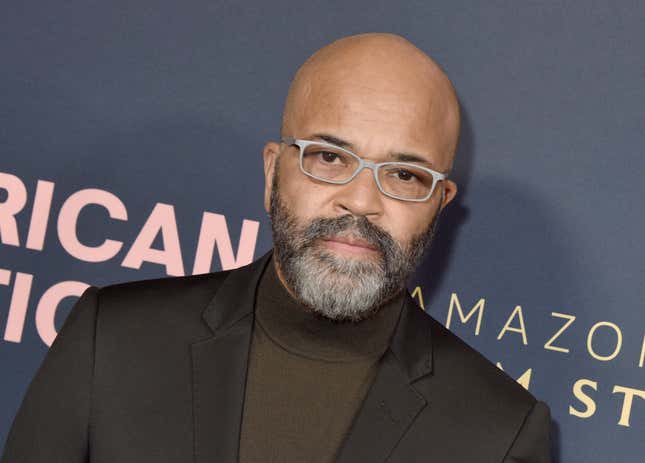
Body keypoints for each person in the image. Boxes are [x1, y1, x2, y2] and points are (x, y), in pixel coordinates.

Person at [1, 33, 551, 462]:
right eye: (329, 157)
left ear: (440, 203)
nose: (360, 201)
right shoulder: (112, 340)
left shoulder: (498, 432)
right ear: (272, 172)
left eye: (404, 174)